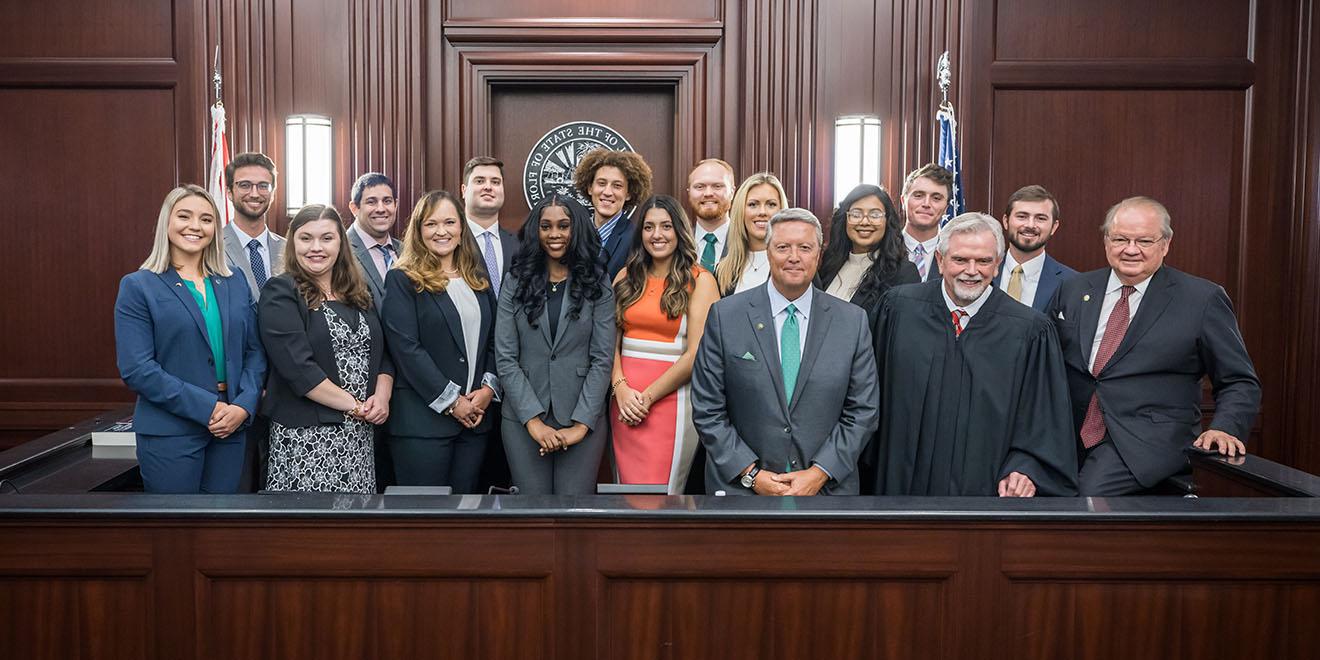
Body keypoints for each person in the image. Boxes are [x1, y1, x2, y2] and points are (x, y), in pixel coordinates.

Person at [1047, 196, 1261, 496]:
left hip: (1146, 441)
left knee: (1084, 502)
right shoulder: (1074, 289)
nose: (1131, 250)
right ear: (1106, 241)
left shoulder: (1201, 299)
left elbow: (1240, 380)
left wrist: (1225, 427)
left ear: (1165, 244)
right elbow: (1045, 362)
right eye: (1120, 238)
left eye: (1144, 241)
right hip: (1067, 434)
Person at [871, 212, 1078, 497]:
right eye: (960, 260)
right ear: (941, 262)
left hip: (984, 488)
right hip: (900, 484)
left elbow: (1043, 417)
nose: (971, 270)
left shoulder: (1030, 330)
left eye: (983, 261)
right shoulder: (897, 310)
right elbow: (866, 395)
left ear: (997, 266)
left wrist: (1025, 467)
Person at [692, 208, 878, 495]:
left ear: (818, 254)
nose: (794, 257)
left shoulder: (852, 321)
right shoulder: (725, 316)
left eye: (805, 248)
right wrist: (751, 475)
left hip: (826, 492)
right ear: (768, 252)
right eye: (783, 247)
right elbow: (708, 409)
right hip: (742, 492)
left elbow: (862, 411)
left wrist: (819, 473)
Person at [114, 185, 266, 493]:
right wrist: (208, 407)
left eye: (206, 219)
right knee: (178, 535)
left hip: (231, 426)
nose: (195, 226)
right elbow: (137, 368)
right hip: (171, 430)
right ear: (166, 222)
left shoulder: (234, 280)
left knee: (222, 533)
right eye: (184, 216)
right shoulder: (139, 286)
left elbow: (255, 351)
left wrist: (244, 406)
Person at [258, 204, 393, 494]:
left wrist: (382, 397)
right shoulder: (281, 291)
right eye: (306, 238)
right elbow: (298, 370)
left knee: (355, 530)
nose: (316, 247)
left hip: (359, 433)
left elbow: (382, 354)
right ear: (293, 243)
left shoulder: (359, 293)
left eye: (327, 238)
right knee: (310, 532)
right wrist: (355, 406)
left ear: (341, 243)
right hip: (306, 436)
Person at [495, 195, 615, 494]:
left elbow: (602, 358)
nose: (555, 234)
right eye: (546, 226)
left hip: (582, 416)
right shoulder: (515, 281)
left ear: (577, 230)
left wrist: (581, 425)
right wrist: (534, 422)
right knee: (532, 516)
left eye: (564, 226)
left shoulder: (597, 282)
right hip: (523, 420)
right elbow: (506, 357)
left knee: (574, 514)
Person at [382, 191, 500, 493]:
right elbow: (406, 349)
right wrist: (452, 402)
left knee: (465, 521)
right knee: (424, 522)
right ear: (419, 232)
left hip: (476, 421)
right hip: (422, 425)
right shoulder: (402, 279)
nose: (441, 231)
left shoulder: (477, 278)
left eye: (449, 222)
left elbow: (495, 338)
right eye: (431, 224)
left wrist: (488, 389)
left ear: (462, 229)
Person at [610, 195, 719, 494]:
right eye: (648, 227)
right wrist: (620, 389)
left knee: (665, 495)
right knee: (625, 492)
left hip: (673, 401)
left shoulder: (701, 280)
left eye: (666, 226)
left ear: (680, 231)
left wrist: (646, 399)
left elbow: (698, 353)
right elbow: (608, 345)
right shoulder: (625, 278)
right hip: (622, 402)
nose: (656, 235)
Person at [460, 155, 520, 492]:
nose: (488, 187)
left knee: (502, 484)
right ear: (464, 189)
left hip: (508, 383)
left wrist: (494, 384)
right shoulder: (448, 243)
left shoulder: (520, 245)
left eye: (495, 182)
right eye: (480, 181)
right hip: (462, 386)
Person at [817, 183, 920, 317]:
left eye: (875, 215)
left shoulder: (903, 274)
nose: (865, 222)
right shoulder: (828, 264)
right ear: (845, 220)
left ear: (887, 221)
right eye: (856, 214)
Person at [992, 185, 1077, 311]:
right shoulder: (982, 270)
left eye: (1040, 218)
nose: (1030, 225)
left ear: (1054, 227)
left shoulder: (1073, 283)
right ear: (1006, 221)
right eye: (1022, 216)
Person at [572, 148, 653, 280]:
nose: (608, 192)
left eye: (617, 186)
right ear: (590, 188)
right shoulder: (574, 234)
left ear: (628, 194)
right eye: (602, 183)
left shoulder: (637, 240)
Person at [713, 172, 789, 296]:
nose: (762, 212)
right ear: (741, 211)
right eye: (753, 205)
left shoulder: (797, 265)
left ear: (781, 210)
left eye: (771, 204)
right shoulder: (722, 271)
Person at [222, 152, 285, 300]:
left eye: (263, 186)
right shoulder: (212, 246)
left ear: (273, 193)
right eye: (245, 185)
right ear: (229, 192)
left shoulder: (289, 248)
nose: (255, 194)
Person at [346, 171, 402, 310]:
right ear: (354, 208)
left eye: (387, 201)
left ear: (395, 205)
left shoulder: (406, 250)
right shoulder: (340, 250)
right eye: (371, 202)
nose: (381, 209)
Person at [899, 164, 954, 282]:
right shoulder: (883, 248)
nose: (926, 204)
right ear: (903, 201)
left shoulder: (953, 253)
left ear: (946, 208)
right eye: (918, 196)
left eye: (936, 198)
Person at [686, 158, 736, 272]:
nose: (708, 193)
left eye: (717, 186)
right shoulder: (677, 244)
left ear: (732, 192)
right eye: (700, 186)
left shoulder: (747, 242)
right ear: (689, 193)